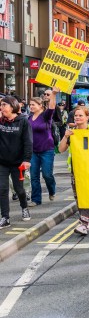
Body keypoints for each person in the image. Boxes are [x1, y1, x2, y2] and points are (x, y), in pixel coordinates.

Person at [59, 106, 89, 235]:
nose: (78, 118)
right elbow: (61, 149)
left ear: (87, 117)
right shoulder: (72, 132)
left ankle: (83, 223)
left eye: (80, 115)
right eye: (76, 116)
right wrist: (65, 136)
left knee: (87, 195)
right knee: (78, 197)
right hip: (76, 170)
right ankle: (87, 218)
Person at [0, 96, 32, 228]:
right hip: (2, 161)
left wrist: (27, 159)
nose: (1, 108)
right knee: (2, 189)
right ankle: (5, 217)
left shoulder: (23, 122)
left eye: (3, 105)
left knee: (19, 189)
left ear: (12, 106)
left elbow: (28, 142)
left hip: (18, 163)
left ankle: (24, 207)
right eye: (0, 105)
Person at [27, 88, 59, 207]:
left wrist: (54, 94)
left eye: (33, 104)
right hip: (33, 152)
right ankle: (36, 199)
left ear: (40, 106)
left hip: (47, 150)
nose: (31, 106)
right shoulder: (29, 118)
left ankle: (52, 190)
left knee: (47, 175)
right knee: (34, 176)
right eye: (30, 105)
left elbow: (51, 107)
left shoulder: (46, 116)